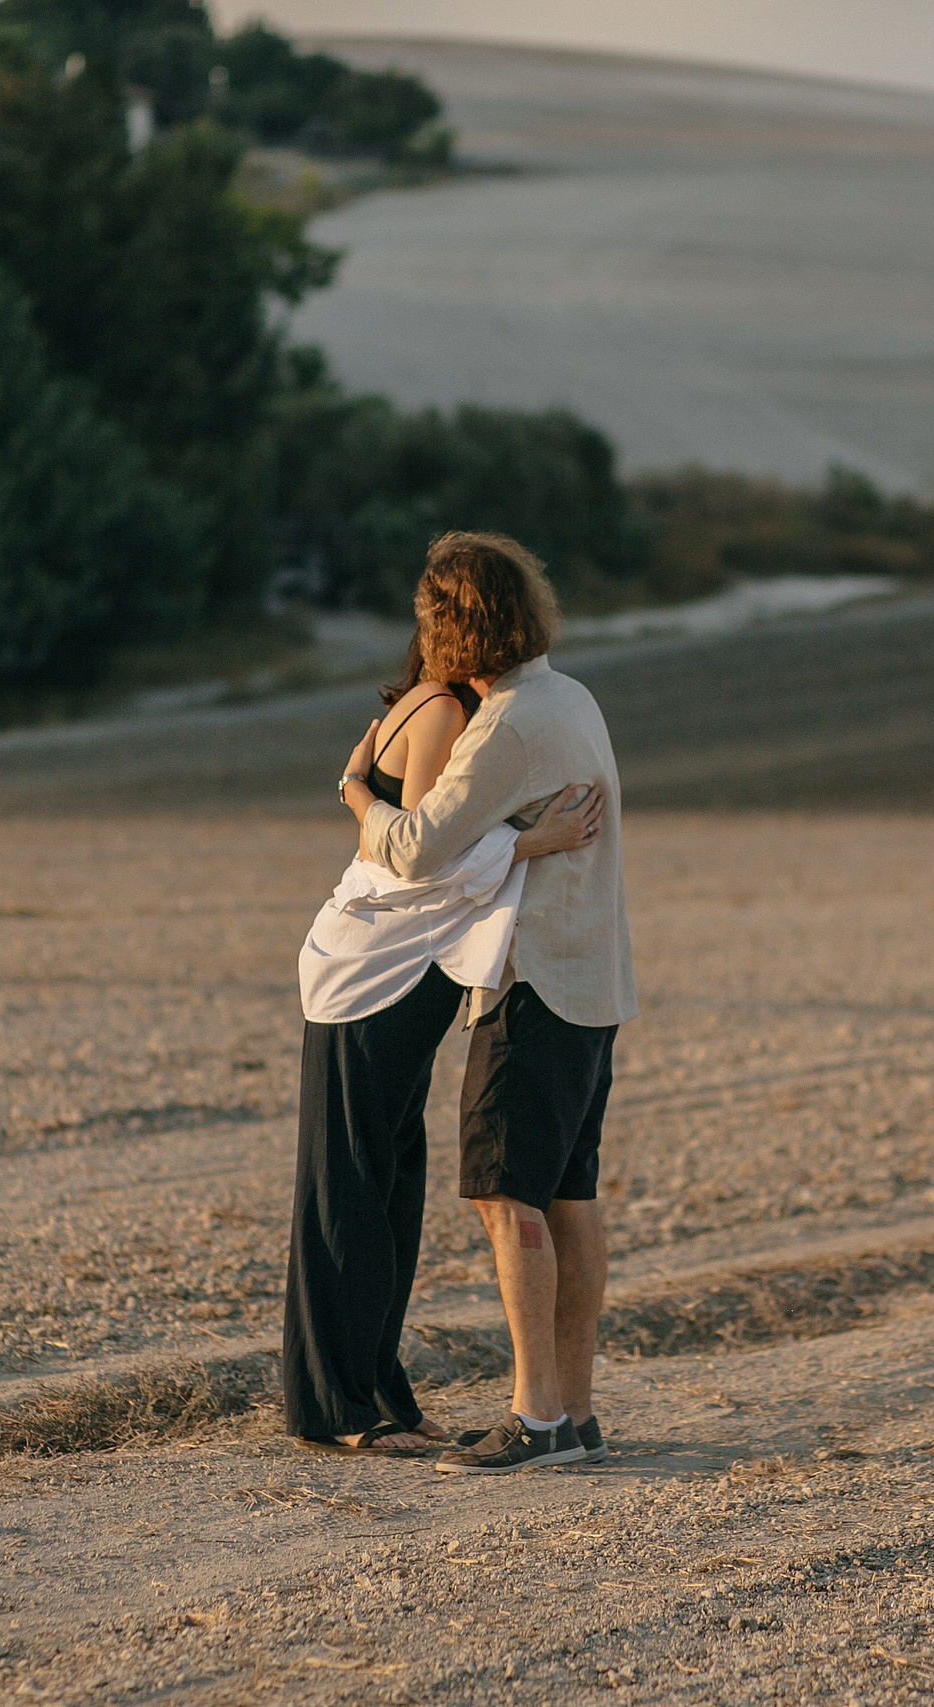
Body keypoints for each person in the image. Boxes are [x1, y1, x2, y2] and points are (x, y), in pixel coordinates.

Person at [338, 532, 636, 1475]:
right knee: (569, 1193)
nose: (423, 642)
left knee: (506, 1198)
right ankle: (577, 1415)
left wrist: (355, 793)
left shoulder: (504, 723)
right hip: (595, 980)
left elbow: (419, 845)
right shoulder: (572, 695)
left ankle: (535, 1418)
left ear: (458, 624)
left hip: (532, 983)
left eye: (431, 622)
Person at [283, 626, 607, 1454]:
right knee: (350, 1189)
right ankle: (337, 1411)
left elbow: (425, 837)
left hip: (400, 975)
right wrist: (534, 841)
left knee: (391, 1190)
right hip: (372, 976)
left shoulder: (470, 710)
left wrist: (359, 788)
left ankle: (382, 1396)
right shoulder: (440, 711)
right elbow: (418, 859)